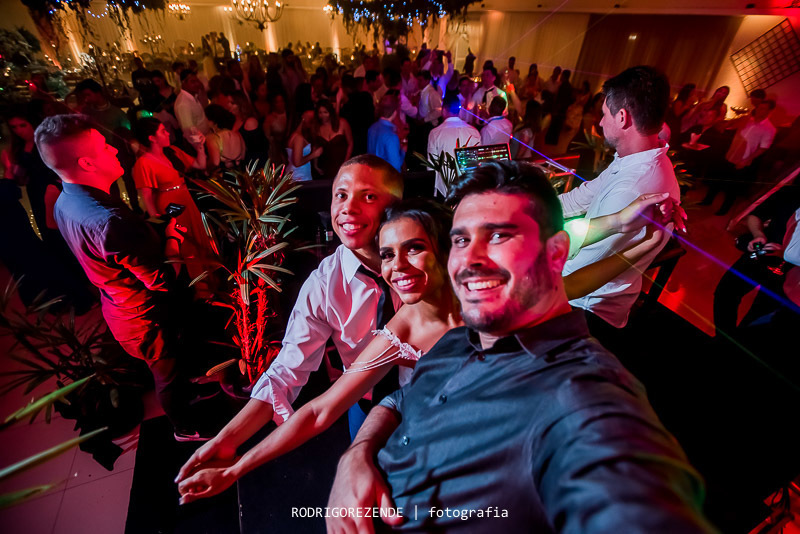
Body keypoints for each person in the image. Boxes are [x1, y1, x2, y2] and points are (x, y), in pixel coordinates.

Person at [325, 160, 713, 533]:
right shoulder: (465, 335)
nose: (470, 259)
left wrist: (637, 241)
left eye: (498, 236)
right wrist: (355, 455)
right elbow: (399, 401)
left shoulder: (582, 400)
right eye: (461, 239)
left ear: (555, 255)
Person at [169, 156, 405, 473]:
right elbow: (284, 374)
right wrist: (227, 440)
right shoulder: (324, 286)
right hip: (366, 405)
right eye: (341, 194)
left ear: (395, 207)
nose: (348, 208)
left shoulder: (425, 264)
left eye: (369, 196)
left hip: (437, 400)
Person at [35, 114, 210, 441]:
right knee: (167, 377)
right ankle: (184, 428)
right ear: (87, 162)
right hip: (143, 316)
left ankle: (190, 401)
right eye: (104, 147)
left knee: (172, 370)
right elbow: (162, 280)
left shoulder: (64, 201)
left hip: (118, 308)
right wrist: (172, 237)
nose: (115, 151)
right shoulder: (109, 219)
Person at [559, 66, 679, 336]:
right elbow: (581, 197)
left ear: (622, 117)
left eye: (604, 114)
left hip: (585, 308)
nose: (600, 123)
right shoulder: (634, 159)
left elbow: (576, 269)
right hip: (587, 295)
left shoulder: (633, 185)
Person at [712, 179, 800, 338]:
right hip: (763, 254)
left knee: (759, 313)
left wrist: (785, 254)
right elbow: (756, 215)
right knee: (725, 292)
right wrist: (758, 235)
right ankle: (724, 338)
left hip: (791, 273)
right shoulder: (791, 192)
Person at [700, 99, 777, 216]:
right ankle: (707, 200)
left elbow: (763, 148)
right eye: (759, 107)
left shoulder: (770, 129)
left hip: (743, 159)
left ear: (769, 111)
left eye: (763, 108)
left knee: (732, 188)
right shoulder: (747, 120)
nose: (759, 110)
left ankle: (724, 209)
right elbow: (727, 127)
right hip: (729, 154)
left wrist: (748, 159)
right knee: (717, 179)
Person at [313, 99, 353, 180]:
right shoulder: (317, 127)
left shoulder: (342, 123)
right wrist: (315, 165)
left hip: (342, 166)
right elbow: (316, 147)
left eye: (325, 112)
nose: (322, 116)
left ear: (330, 112)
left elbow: (350, 143)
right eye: (320, 113)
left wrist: (346, 162)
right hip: (325, 167)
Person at [367, 94, 407, 172]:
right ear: (395, 112)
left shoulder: (372, 128)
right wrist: (403, 151)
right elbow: (396, 166)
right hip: (386, 178)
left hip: (373, 174)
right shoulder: (391, 136)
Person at [204, 104, 245, 170]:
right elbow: (243, 155)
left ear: (212, 121)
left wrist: (205, 167)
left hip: (222, 177)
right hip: (239, 174)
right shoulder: (237, 134)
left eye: (205, 118)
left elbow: (215, 162)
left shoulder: (212, 138)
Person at [286, 109, 322, 182]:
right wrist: (314, 155)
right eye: (311, 119)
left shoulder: (294, 135)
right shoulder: (298, 138)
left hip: (297, 175)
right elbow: (297, 162)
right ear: (303, 118)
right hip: (299, 177)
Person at [174, 69, 210, 141]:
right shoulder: (183, 104)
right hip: (200, 144)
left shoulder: (193, 97)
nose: (197, 84)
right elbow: (190, 133)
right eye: (193, 82)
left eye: (197, 81)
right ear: (183, 83)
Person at [263, 92, 289, 165]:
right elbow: (267, 136)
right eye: (278, 102)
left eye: (282, 101)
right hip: (276, 150)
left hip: (289, 148)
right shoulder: (269, 118)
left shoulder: (289, 115)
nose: (280, 104)